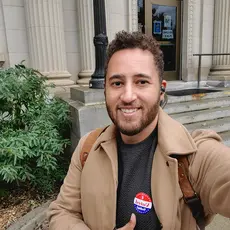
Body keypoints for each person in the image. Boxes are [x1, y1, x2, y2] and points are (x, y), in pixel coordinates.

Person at [47, 31, 230, 230]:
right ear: (106, 90)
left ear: (161, 91)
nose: (127, 96)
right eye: (117, 83)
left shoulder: (195, 156)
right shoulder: (88, 148)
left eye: (141, 82)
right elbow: (63, 211)